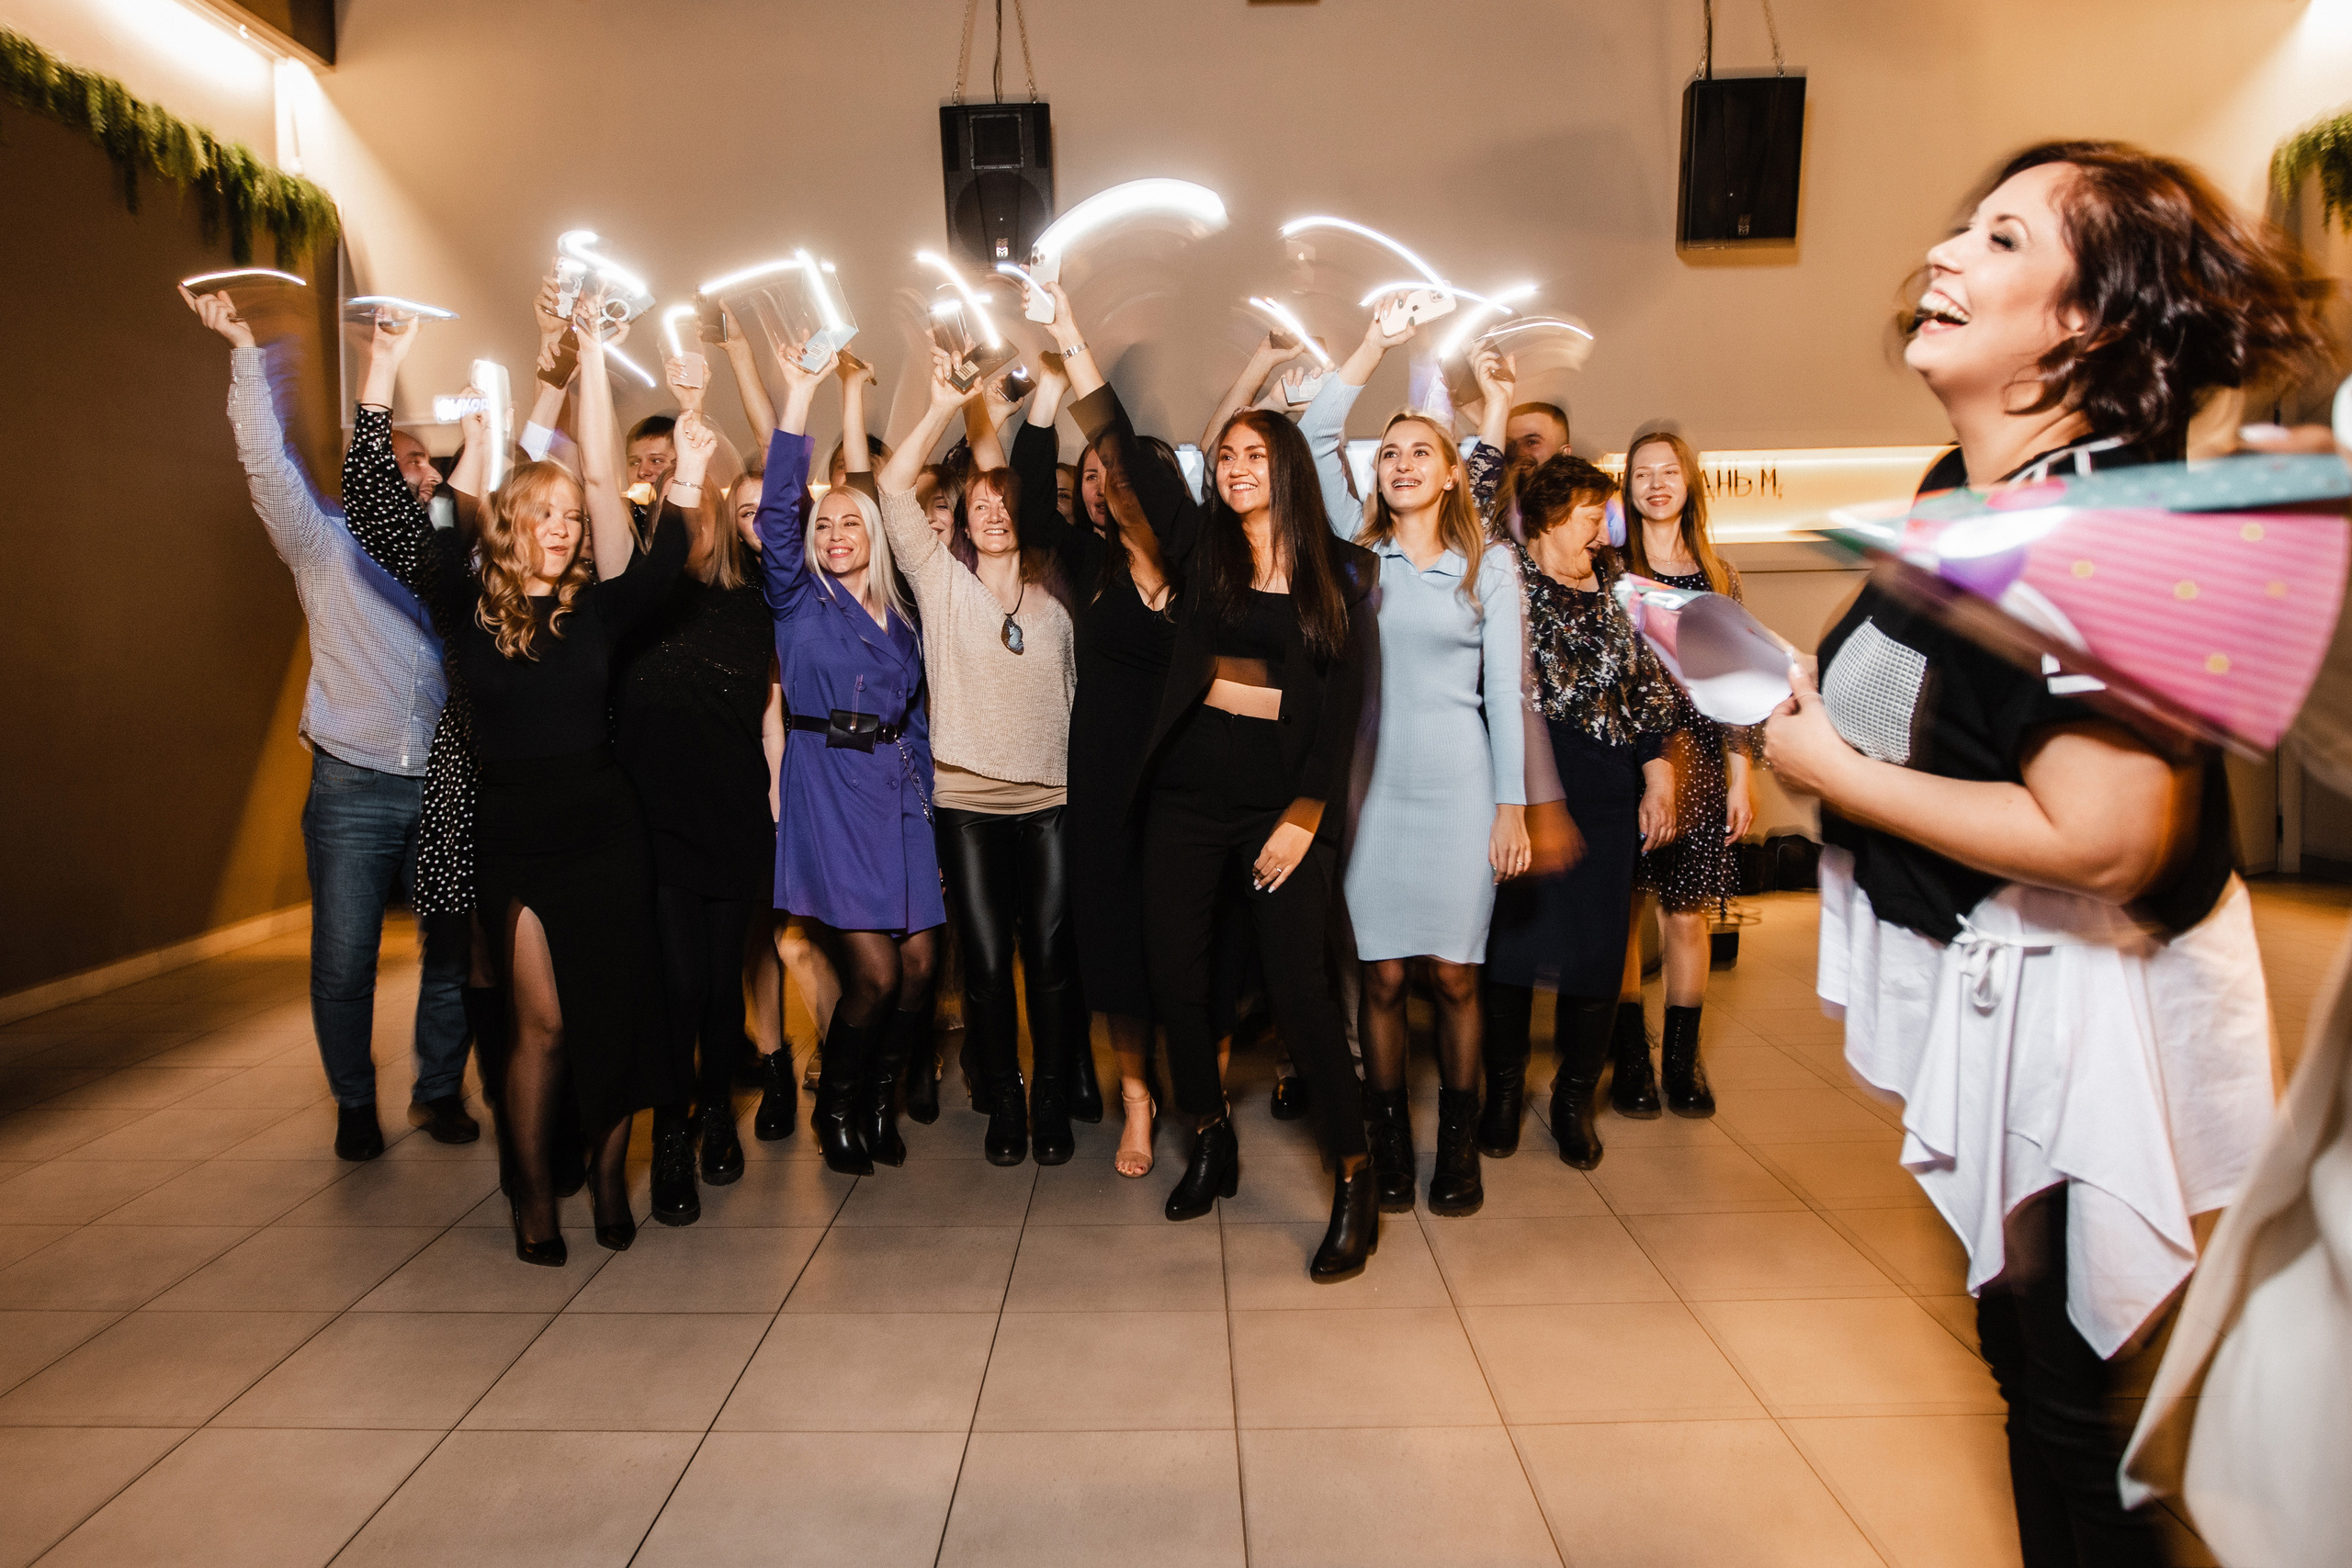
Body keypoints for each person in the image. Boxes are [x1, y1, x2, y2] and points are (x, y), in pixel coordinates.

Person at [1761, 140, 2322, 1565]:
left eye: (2003, 239)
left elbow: (2110, 836)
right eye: (1964, 227)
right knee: (2032, 1370)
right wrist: (1811, 707)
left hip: (2089, 1012)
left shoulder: (2096, 528)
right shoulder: (1964, 484)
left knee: (2077, 1412)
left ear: (2090, 323)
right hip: (2003, 980)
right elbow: (1940, 702)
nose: (1945, 253)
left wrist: (1832, 773)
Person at [345, 300, 695, 1265]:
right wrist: (386, 370)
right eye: (543, 513)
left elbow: (665, 555)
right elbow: (387, 507)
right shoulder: (463, 603)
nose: (562, 528)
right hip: (514, 834)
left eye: (573, 517)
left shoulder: (600, 613)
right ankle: (533, 1199)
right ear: (509, 522)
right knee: (541, 1024)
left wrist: (602, 374)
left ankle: (610, 1185)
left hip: (605, 830)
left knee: (613, 1017)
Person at [180, 287, 473, 1161]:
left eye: (428, 462)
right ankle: (353, 1101)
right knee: (345, 959)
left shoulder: (457, 556)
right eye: (403, 457)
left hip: (447, 779)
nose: (421, 472)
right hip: (352, 783)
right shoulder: (324, 541)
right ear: (366, 468)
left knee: (453, 952)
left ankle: (438, 1090)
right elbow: (264, 462)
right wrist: (245, 354)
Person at [1129, 378, 1378, 1278]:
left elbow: (1343, 711)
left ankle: (1354, 1177)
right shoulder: (1205, 554)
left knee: (1299, 997)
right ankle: (1207, 1134)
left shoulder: (1344, 572)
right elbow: (1127, 455)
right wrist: (1069, 334)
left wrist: (1305, 817)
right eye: (1226, 455)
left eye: (1255, 455)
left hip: (1283, 808)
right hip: (1186, 797)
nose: (1236, 467)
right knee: (1174, 978)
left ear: (1289, 470)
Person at [1300, 301, 1530, 1217]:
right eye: (1388, 452)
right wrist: (1375, 345)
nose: (1400, 463)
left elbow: (1506, 696)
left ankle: (1458, 1147)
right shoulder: (1357, 557)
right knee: (1384, 975)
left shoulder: (1490, 566)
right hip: (1373, 792)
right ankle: (1389, 1141)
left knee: (1456, 975)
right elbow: (1314, 434)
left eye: (1419, 452)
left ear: (1452, 472)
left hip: (1462, 789)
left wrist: (1511, 807)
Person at [874, 350, 1083, 1168]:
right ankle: (1007, 1095)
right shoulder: (940, 582)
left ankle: (1054, 1096)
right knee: (990, 964)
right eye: (979, 503)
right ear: (963, 516)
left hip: (1051, 798)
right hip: (967, 803)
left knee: (1053, 959)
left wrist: (994, 412)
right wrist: (944, 403)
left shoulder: (1058, 591)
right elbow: (894, 489)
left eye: (1005, 500)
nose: (993, 511)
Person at [1007, 286, 1186, 1179]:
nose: (1114, 489)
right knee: (1114, 943)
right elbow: (1030, 505)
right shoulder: (1089, 560)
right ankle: (1137, 1103)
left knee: (1184, 939)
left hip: (1186, 778)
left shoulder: (1204, 567)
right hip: (1106, 775)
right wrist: (1049, 386)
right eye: (1107, 479)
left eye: (1129, 477)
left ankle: (1199, 1093)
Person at [756, 342, 942, 1177]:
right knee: (872, 969)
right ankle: (837, 1105)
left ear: (874, 534)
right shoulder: (797, 601)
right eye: (822, 523)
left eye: (850, 521)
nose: (834, 533)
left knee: (920, 963)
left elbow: (917, 714)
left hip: (900, 793)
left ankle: (878, 1102)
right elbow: (778, 511)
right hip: (829, 785)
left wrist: (930, 796)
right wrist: (800, 396)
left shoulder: (901, 615)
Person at [612, 351, 783, 1224]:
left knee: (721, 985)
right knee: (676, 985)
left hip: (734, 817)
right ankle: (672, 1131)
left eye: (698, 509)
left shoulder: (756, 607)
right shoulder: (637, 605)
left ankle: (718, 1109)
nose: (686, 524)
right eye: (670, 513)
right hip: (655, 824)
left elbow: (771, 717)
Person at [1481, 457, 1679, 1169]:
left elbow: (1650, 691)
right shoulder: (1506, 578)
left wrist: (1657, 775)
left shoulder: (1620, 587)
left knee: (1596, 957)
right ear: (1547, 518)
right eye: (1591, 517)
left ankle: (1573, 1100)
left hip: (1606, 794)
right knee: (1509, 951)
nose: (1603, 532)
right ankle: (1503, 1093)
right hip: (1525, 790)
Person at [1619, 428, 1752, 1118]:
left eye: (1668, 471)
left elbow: (1738, 681)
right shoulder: (1610, 568)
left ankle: (1681, 1061)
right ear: (1628, 487)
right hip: (1626, 756)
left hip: (1699, 755)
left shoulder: (1719, 575)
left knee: (1687, 915)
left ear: (1688, 482)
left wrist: (1742, 775)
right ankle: (1629, 1059)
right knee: (1622, 913)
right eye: (1642, 473)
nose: (1656, 484)